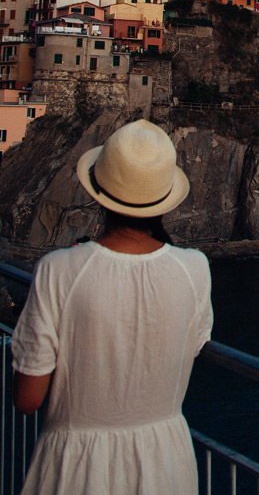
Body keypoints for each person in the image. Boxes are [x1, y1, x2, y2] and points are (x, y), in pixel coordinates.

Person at [11, 119, 213, 495]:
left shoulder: (58, 271)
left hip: (75, 469)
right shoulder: (195, 270)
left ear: (98, 192)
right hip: (165, 465)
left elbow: (27, 400)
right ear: (163, 196)